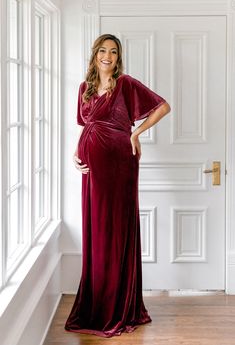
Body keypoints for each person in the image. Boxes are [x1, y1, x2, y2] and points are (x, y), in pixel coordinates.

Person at [65, 34, 171, 338]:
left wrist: (136, 135)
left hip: (120, 166)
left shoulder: (125, 84)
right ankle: (97, 301)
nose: (107, 56)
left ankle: (117, 305)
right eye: (103, 50)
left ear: (118, 56)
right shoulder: (84, 89)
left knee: (115, 228)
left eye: (113, 51)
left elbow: (163, 107)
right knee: (97, 230)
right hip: (92, 170)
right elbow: (87, 126)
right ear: (95, 54)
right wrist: (77, 152)